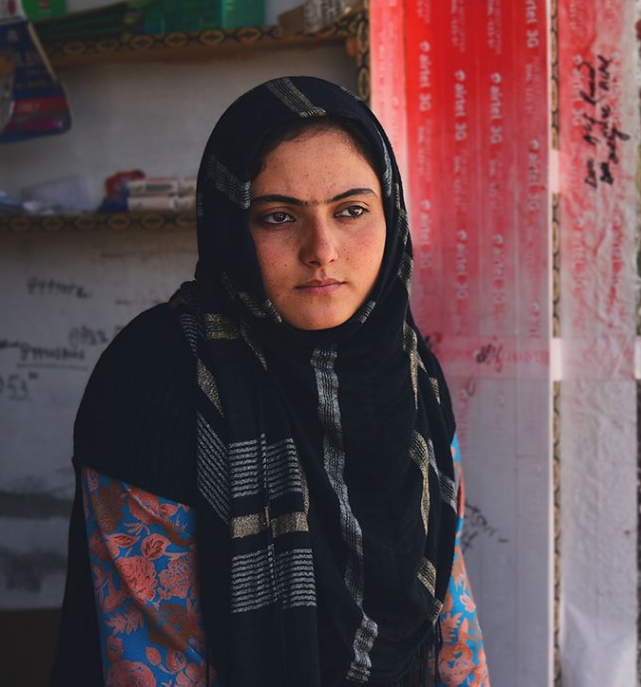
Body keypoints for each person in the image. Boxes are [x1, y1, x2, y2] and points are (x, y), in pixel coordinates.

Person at [52, 76, 488, 686]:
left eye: (352, 210)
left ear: (391, 214)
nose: (322, 249)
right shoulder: (156, 377)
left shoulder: (410, 371)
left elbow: (451, 621)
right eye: (279, 217)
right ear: (231, 225)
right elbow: (152, 660)